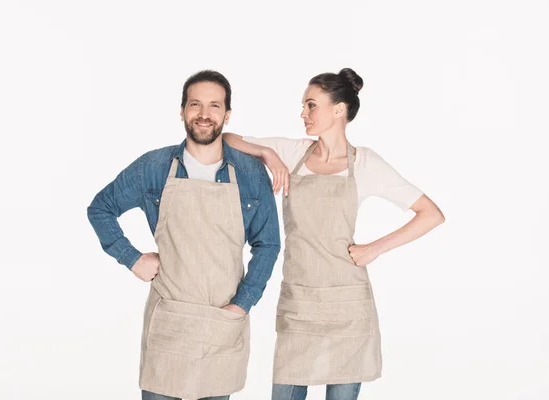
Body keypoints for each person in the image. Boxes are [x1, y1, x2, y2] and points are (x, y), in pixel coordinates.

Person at [223, 68, 445, 400]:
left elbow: (431, 214)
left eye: (311, 105)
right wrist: (268, 154)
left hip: (347, 306)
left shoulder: (365, 163)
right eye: (303, 106)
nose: (303, 113)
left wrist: (375, 248)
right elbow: (227, 140)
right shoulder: (294, 152)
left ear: (338, 109)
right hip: (299, 302)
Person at [87, 70, 281, 400]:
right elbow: (100, 208)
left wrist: (243, 303)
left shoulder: (250, 173)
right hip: (170, 323)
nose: (204, 114)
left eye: (214, 106)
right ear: (182, 111)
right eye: (195, 104)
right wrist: (131, 258)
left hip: (222, 320)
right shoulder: (153, 166)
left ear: (227, 115)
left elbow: (269, 243)